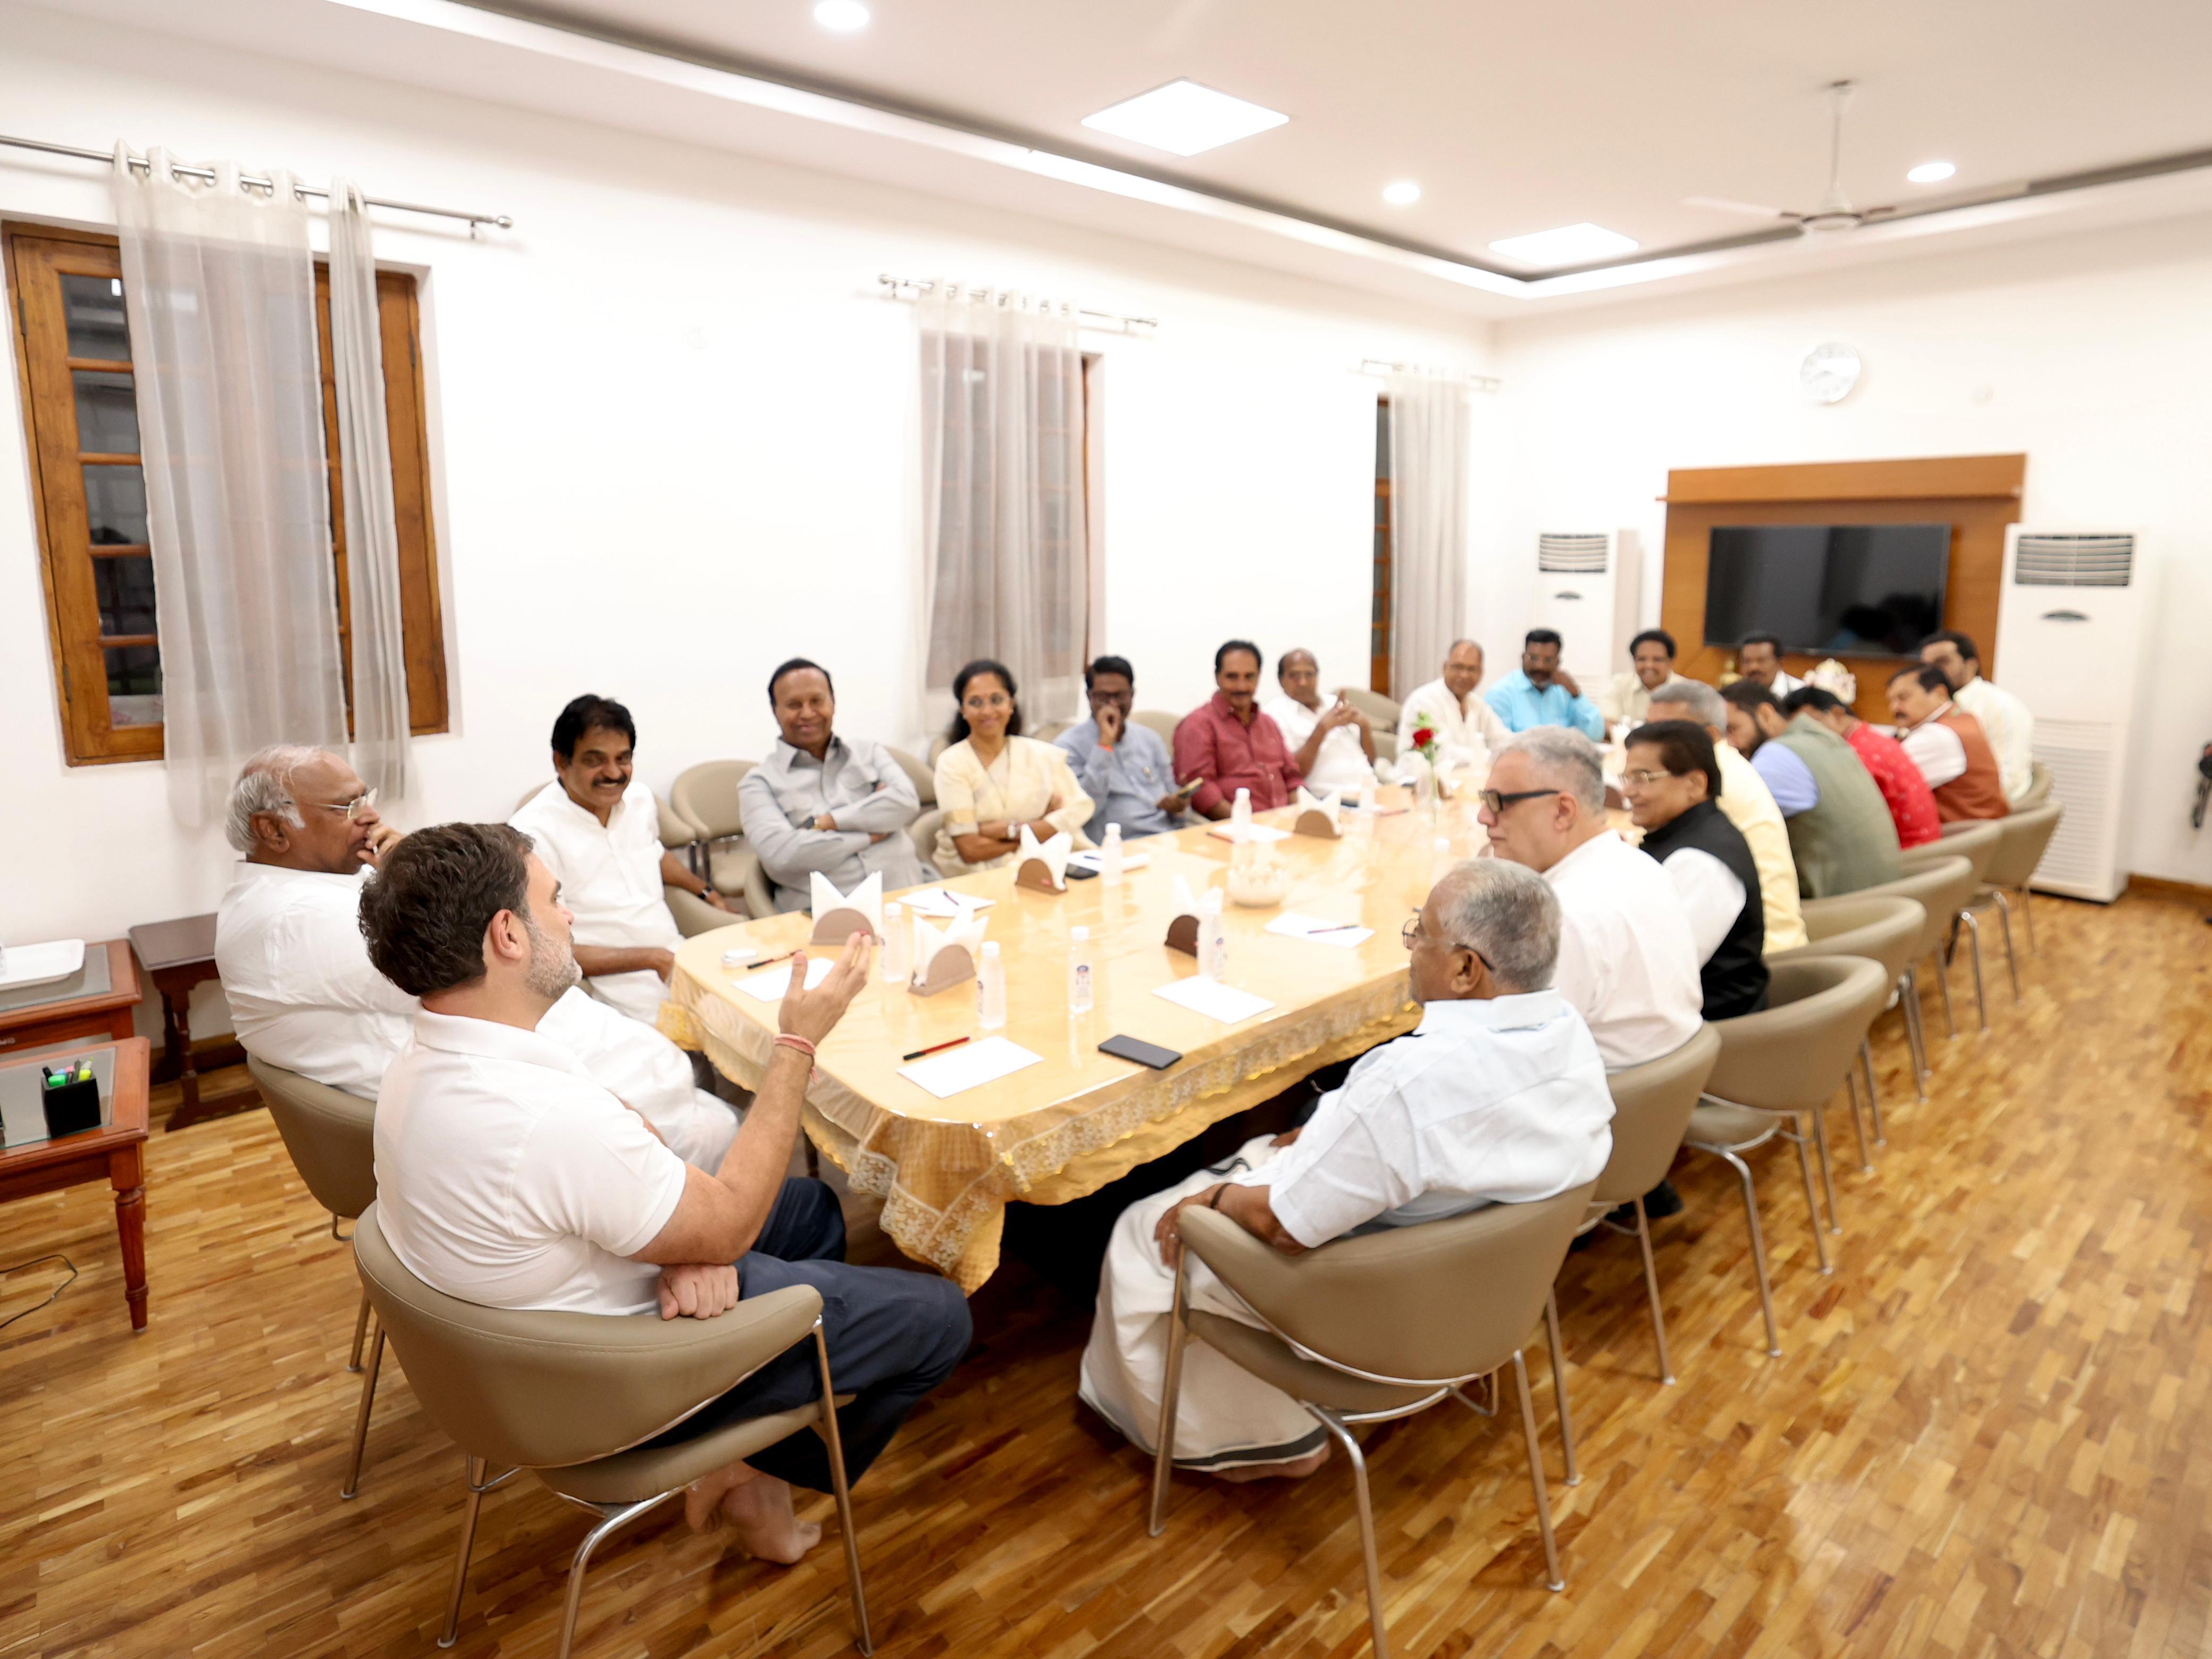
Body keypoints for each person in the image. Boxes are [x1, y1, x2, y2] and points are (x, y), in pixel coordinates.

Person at [365, 824, 970, 1559]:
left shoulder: (428, 1057)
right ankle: (754, 1465)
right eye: (554, 901)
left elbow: (628, 1137)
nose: (570, 916)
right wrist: (796, 1045)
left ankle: (756, 1456)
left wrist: (695, 1249)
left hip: (540, 1342)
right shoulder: (538, 1119)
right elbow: (719, 1214)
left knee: (811, 1210)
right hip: (622, 1378)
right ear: (508, 935)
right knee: (943, 1318)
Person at [1079, 860, 1610, 1478]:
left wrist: (1214, 1202)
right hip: (1486, 1297)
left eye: (1420, 934)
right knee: (1270, 1147)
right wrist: (1336, 1127)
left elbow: (1283, 1229)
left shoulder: (1408, 1081)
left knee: (1142, 1228)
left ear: (1465, 969)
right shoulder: (1567, 1034)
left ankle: (1256, 1441)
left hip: (1364, 1306)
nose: (1409, 946)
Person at [215, 747, 740, 1168]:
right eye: (346, 807)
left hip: (513, 1078)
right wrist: (416, 875)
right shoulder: (295, 920)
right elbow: (469, 970)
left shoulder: (317, 889)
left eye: (365, 798)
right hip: (498, 1113)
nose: (370, 816)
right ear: (273, 830)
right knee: (719, 1129)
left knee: (705, 1107)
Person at [1477, 728, 1702, 1069]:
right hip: (1664, 1086)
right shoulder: (1645, 868)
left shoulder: (1559, 915)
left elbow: (1512, 1057)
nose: (1483, 816)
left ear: (1563, 811)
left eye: (1499, 802)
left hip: (1601, 1094)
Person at [510, 695, 730, 1026]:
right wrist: (652, 959)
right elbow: (548, 949)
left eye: (623, 759)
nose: (613, 773)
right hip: (616, 982)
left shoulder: (639, 800)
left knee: (759, 1012)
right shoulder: (533, 833)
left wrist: (707, 893)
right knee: (693, 1045)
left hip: (676, 954)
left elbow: (654, 855)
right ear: (561, 762)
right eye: (595, 760)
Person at [738, 658, 924, 911]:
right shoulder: (758, 783)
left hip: (909, 900)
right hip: (822, 918)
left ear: (833, 703)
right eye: (794, 705)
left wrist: (826, 823)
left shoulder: (869, 753)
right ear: (775, 711)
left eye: (817, 701)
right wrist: (870, 834)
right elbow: (783, 855)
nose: (807, 713)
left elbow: (906, 803)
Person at [1645, 680, 1807, 953]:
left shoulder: (1710, 782)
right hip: (1746, 931)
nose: (1648, 743)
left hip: (1760, 951)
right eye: (1647, 729)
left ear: (1709, 735)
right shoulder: (1720, 765)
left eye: (1667, 733)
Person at [1621, 722, 1769, 1019]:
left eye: (1643, 778)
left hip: (1715, 1032)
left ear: (1695, 784)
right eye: (1627, 778)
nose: (1628, 791)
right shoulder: (1685, 834)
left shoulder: (1701, 864)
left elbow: (1656, 976)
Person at [1720, 682, 1902, 898]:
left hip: (1841, 906)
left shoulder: (1775, 757)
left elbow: (1728, 827)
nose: (1730, 744)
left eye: (1733, 729)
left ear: (1766, 714)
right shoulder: (1821, 739)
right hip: (1883, 897)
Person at [933, 659, 1095, 871]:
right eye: (976, 702)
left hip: (1041, 866)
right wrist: (1038, 829)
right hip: (974, 874)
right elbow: (970, 849)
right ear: (963, 709)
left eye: (996, 700)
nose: (987, 711)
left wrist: (1008, 830)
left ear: (1011, 704)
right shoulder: (952, 763)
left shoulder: (1042, 755)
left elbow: (1078, 809)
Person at [1780, 686, 1941, 850]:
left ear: (1837, 714)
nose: (1804, 738)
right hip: (1926, 847)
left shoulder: (1854, 755)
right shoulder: (1870, 738)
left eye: (1809, 727)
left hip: (1908, 855)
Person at [1055, 655, 1188, 842]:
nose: (1113, 704)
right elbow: (1084, 810)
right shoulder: (1067, 747)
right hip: (1117, 844)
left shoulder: (1150, 739)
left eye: (1120, 696)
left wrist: (1179, 806)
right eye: (1103, 697)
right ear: (1089, 696)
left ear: (1132, 694)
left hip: (1166, 837)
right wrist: (1104, 744)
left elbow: (1176, 802)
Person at [1174, 640, 1304, 818]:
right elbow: (1201, 791)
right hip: (1236, 827)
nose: (1241, 686)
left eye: (1249, 677)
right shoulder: (1198, 724)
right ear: (1218, 677)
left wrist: (1299, 818)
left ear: (1258, 677)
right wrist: (1247, 825)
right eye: (1232, 677)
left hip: (1284, 823)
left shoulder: (1268, 723)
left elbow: (1293, 779)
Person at [1919, 630, 2034, 804]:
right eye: (1926, 666)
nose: (1932, 673)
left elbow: (2009, 780)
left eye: (1942, 662)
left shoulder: (2000, 706)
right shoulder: (1933, 706)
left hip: (1983, 810)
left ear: (1971, 665)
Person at [1887, 665, 2011, 823]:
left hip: (1958, 833)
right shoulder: (1962, 717)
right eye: (1891, 701)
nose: (1894, 708)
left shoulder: (1937, 736)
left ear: (1940, 693)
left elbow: (1878, 785)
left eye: (1903, 698)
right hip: (1980, 828)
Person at [1262, 649, 1380, 794]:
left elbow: (1371, 762)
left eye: (1309, 674)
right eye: (1294, 676)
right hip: (1330, 798)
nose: (1303, 682)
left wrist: (1364, 727)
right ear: (1281, 680)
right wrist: (1322, 729)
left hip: (1373, 790)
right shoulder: (1274, 714)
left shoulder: (1334, 703)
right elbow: (1290, 775)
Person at [1396, 638, 1511, 772]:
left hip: (1465, 779)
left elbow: (1502, 739)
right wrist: (1487, 755)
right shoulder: (1424, 700)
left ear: (1481, 673)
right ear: (1445, 667)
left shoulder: (1477, 704)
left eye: (1472, 669)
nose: (1464, 675)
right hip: (1418, 780)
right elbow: (1442, 752)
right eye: (1458, 667)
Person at [1484, 630, 1606, 739]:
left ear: (1558, 662)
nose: (1540, 666)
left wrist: (1576, 694)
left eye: (1548, 660)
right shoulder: (1501, 694)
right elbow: (1500, 744)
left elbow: (1595, 735)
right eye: (1533, 658)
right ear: (1523, 658)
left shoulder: (1564, 692)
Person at [1599, 629, 1677, 731]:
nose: (1649, 665)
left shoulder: (1686, 691)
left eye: (1657, 659)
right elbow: (1608, 722)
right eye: (1642, 659)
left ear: (1671, 662)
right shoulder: (1619, 684)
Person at [1736, 633, 1804, 698]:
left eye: (1761, 660)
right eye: (1747, 661)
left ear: (1780, 663)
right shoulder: (1735, 695)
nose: (1753, 667)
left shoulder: (1800, 693)